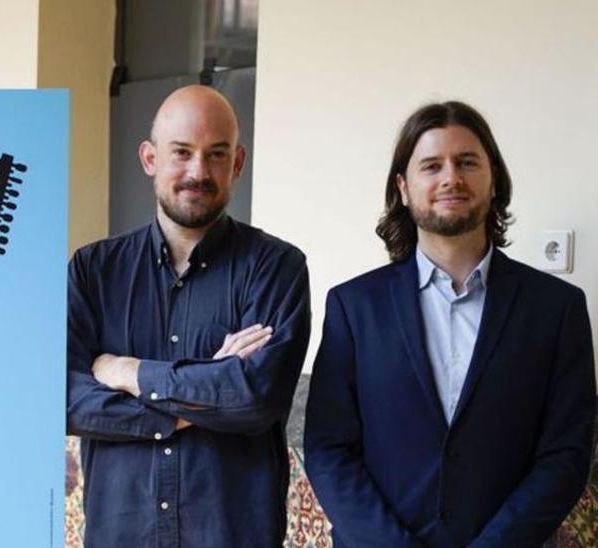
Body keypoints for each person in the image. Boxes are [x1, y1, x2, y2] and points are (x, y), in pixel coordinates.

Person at [303, 101, 595, 546]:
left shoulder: (557, 309)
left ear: (493, 179)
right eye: (431, 165)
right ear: (403, 186)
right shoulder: (353, 307)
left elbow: (566, 455)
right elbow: (328, 450)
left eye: (466, 163)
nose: (450, 178)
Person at [67, 85, 311, 546]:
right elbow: (65, 399)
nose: (199, 171)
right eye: (181, 152)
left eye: (216, 154)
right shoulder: (93, 271)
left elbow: (257, 398)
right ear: (149, 158)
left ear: (237, 163)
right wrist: (206, 389)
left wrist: (127, 371)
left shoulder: (277, 268)